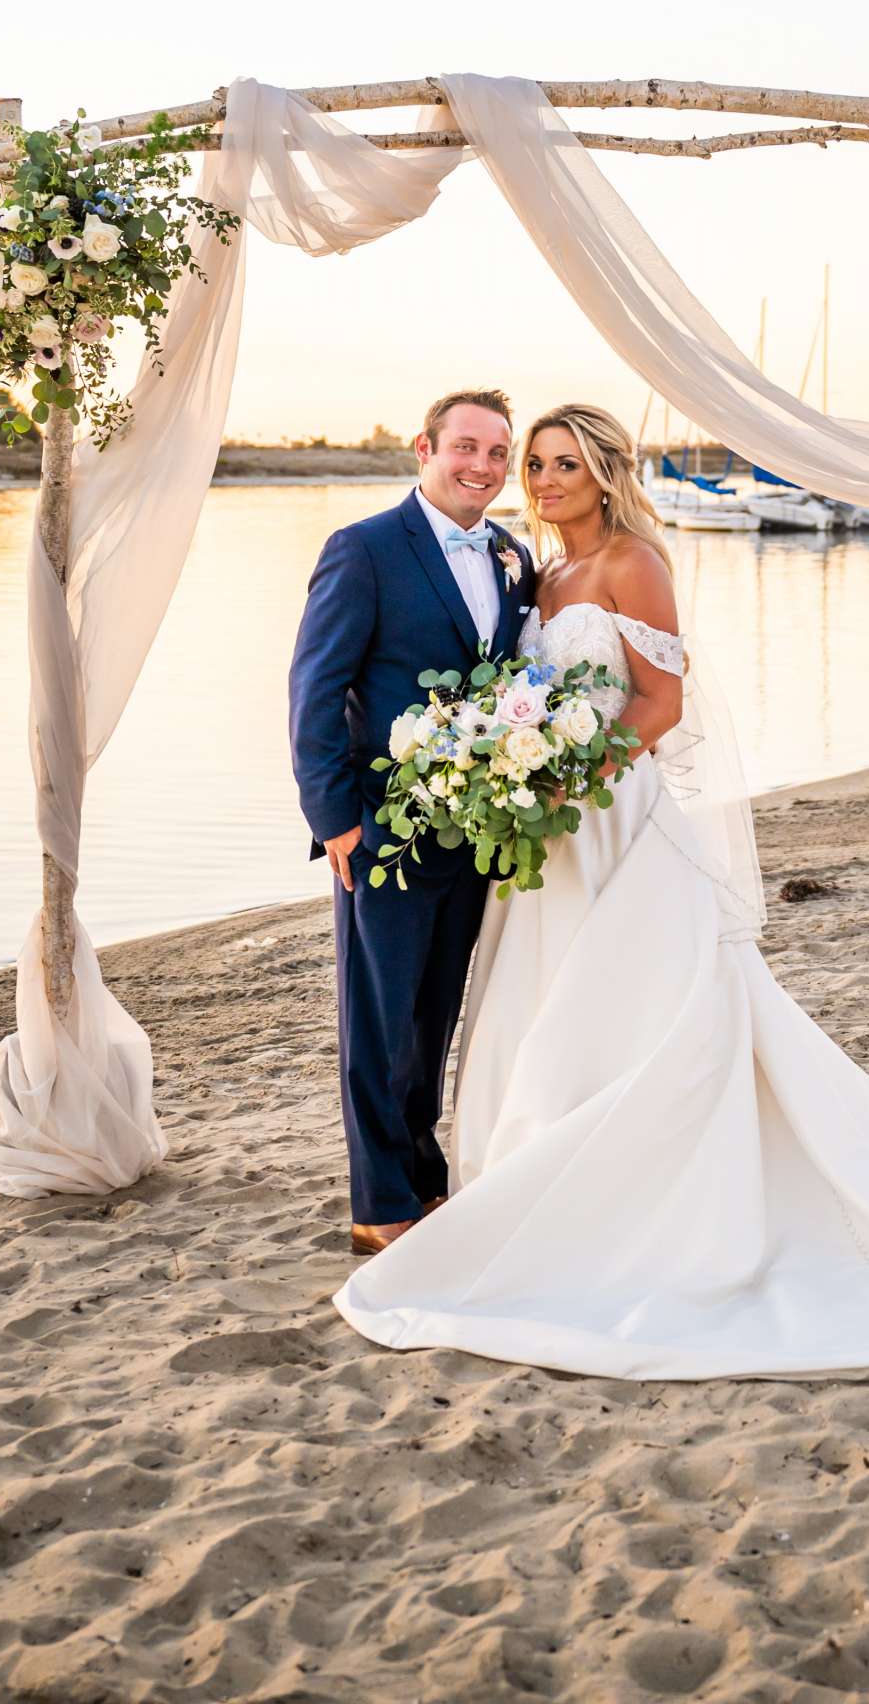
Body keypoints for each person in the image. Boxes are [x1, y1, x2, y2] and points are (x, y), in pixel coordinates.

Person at [334, 404, 869, 1381]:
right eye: (533, 463)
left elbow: (661, 703)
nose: (544, 479)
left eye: (562, 463)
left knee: (640, 1004)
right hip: (555, 835)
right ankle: (523, 1184)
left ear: (608, 473)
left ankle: (642, 1200)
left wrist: (569, 777)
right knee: (538, 999)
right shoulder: (539, 572)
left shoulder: (632, 563)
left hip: (615, 817)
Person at [289, 389, 537, 1256]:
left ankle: (424, 1179)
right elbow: (315, 691)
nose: (482, 466)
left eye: (498, 452)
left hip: (474, 827)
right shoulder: (362, 549)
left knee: (435, 1016)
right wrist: (336, 823)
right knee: (378, 1019)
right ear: (423, 448)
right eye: (465, 446)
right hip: (384, 829)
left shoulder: (512, 554)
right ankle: (377, 1205)